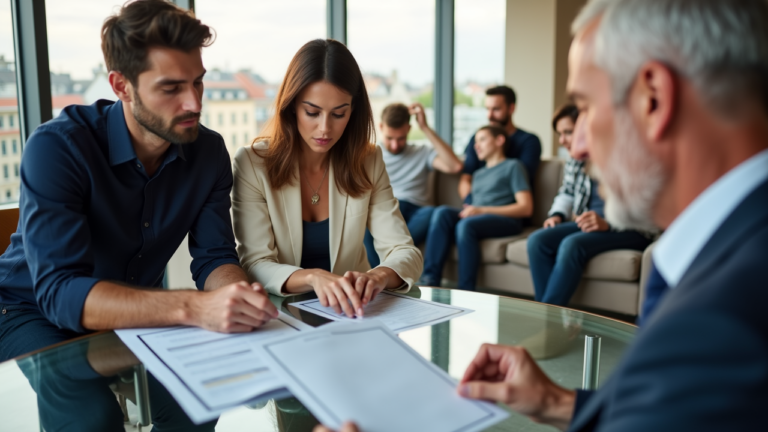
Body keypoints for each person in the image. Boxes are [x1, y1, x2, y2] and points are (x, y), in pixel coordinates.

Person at [315, 0, 768, 430]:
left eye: (586, 108)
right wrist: (559, 403)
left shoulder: (734, 313)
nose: (580, 146)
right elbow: (667, 411)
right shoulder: (725, 250)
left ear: (653, 98)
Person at [0, 1, 278, 430]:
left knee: (201, 398)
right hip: (28, 310)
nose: (193, 103)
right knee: (91, 416)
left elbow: (215, 256)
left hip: (132, 309)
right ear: (121, 85)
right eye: (171, 88)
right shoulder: (58, 147)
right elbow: (60, 292)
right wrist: (195, 307)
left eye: (198, 83)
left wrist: (239, 298)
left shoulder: (208, 152)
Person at [232, 39, 422, 319]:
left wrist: (380, 275)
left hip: (352, 315)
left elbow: (404, 251)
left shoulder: (368, 160)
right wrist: (312, 278)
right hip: (280, 318)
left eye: (338, 114)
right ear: (292, 106)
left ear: (353, 111)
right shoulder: (252, 163)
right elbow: (255, 262)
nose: (325, 128)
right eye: (312, 112)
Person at [526, 104, 652, 306]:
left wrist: (609, 224)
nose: (563, 140)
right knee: (537, 241)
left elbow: (645, 212)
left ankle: (546, 319)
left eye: (568, 132)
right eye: (560, 134)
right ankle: (550, 317)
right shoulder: (575, 160)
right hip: (588, 224)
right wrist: (556, 215)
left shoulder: (625, 156)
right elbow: (567, 191)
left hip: (629, 228)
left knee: (571, 244)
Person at [419, 125, 533, 290]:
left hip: (506, 219)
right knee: (442, 212)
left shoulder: (513, 166)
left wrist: (482, 210)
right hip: (478, 215)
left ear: (499, 140)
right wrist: (475, 210)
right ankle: (429, 279)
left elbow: (526, 207)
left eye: (482, 139)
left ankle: (466, 290)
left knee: (466, 225)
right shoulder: (478, 174)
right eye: (475, 141)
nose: (476, 145)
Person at [363, 102, 463, 266]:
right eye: (390, 138)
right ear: (381, 127)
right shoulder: (370, 154)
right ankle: (382, 273)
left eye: (401, 138)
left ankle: (388, 268)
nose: (395, 145)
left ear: (409, 129)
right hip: (386, 209)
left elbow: (455, 166)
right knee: (364, 219)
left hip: (419, 210)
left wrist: (425, 127)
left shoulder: (422, 152)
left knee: (434, 212)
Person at [458, 85, 542, 205]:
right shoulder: (476, 140)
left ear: (511, 108)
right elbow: (466, 178)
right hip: (478, 207)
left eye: (496, 109)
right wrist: (472, 205)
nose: (489, 115)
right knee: (443, 213)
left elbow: (520, 180)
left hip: (507, 208)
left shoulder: (528, 141)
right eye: (487, 109)